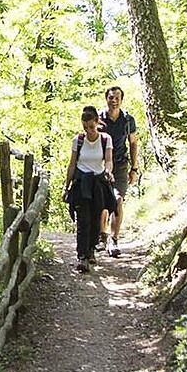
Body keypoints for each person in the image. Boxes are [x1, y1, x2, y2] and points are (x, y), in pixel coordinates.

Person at [62, 106, 117, 270]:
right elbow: (72, 165)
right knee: (83, 219)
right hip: (81, 183)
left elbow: (108, 160)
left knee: (95, 219)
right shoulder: (78, 140)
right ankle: (82, 256)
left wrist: (108, 172)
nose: (88, 130)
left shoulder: (106, 139)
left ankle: (91, 249)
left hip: (98, 183)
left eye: (91, 127)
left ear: (97, 122)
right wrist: (66, 186)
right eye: (85, 127)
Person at [99, 85, 139, 254]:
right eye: (111, 97)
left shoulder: (128, 120)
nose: (114, 101)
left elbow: (133, 143)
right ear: (106, 99)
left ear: (121, 100)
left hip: (121, 165)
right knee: (102, 203)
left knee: (118, 200)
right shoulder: (99, 118)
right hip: (101, 166)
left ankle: (114, 240)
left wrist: (134, 168)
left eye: (117, 98)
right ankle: (102, 237)